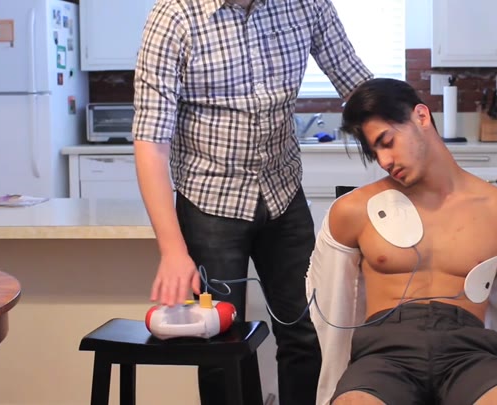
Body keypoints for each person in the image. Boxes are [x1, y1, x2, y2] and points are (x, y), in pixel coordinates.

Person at [131, 0, 373, 403]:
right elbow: (151, 144)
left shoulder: (305, 4)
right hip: (209, 202)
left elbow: (359, 87)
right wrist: (172, 251)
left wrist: (413, 139)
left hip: (283, 193)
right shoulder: (174, 16)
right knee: (218, 342)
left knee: (307, 332)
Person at [305, 78, 497, 405]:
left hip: (469, 353)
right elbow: (333, 305)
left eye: (387, 142)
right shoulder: (353, 211)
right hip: (382, 354)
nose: (384, 161)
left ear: (421, 116)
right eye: (375, 152)